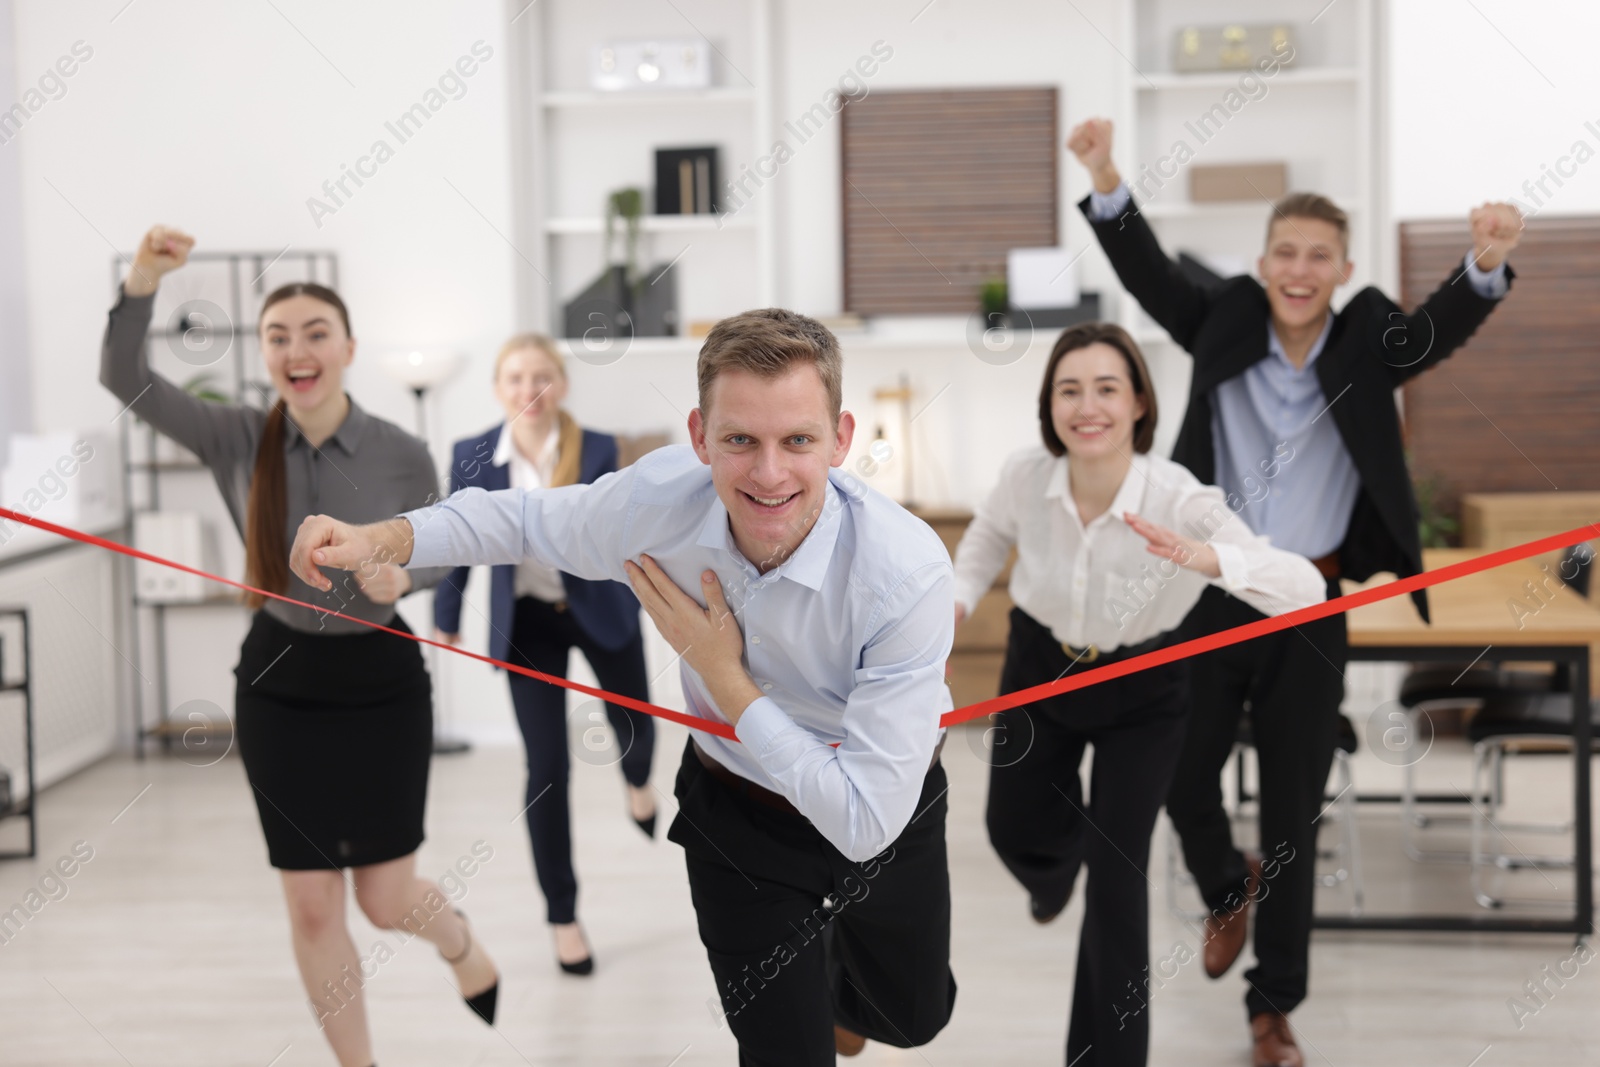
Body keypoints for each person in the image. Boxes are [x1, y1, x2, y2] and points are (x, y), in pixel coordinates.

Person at [288, 308, 957, 1066]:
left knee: (912, 1015)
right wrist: (387, 536)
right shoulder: (656, 501)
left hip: (877, 796)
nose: (769, 473)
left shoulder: (906, 572)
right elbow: (522, 520)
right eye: (740, 440)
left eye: (797, 440)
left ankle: (833, 974)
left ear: (840, 439)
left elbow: (865, 821)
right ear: (701, 436)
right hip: (741, 814)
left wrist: (725, 677)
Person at [1066, 117, 1523, 1066]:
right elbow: (1153, 274)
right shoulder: (1226, 317)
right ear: (1263, 260)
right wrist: (1107, 175)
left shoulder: (1368, 340)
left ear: (1344, 266)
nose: (1300, 269)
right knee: (1181, 775)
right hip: (1209, 592)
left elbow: (1436, 328)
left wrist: (1483, 263)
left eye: (1320, 255)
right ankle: (1224, 887)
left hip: (1310, 602)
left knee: (1292, 815)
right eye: (1286, 251)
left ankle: (1273, 1007)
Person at [101, 227, 499, 1067]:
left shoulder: (399, 450)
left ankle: (459, 941)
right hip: (279, 683)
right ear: (266, 356)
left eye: (315, 331)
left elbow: (442, 552)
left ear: (348, 347)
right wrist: (143, 281)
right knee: (314, 907)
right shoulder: (236, 437)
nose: (296, 349)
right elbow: (124, 381)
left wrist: (406, 582)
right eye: (278, 337)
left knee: (387, 901)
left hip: (383, 683)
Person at [954, 322, 1325, 1067]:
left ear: (1138, 405)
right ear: (1049, 406)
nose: (1087, 405)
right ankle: (1054, 873)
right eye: (1069, 389)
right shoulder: (1026, 473)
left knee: (1118, 887)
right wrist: (958, 598)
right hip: (1041, 667)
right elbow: (989, 535)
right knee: (1009, 825)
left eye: (1106, 388)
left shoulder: (1179, 495)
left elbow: (1307, 587)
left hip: (1143, 690)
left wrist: (1211, 557)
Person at [433, 332, 656, 976]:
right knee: (547, 768)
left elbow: (628, 529)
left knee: (636, 731)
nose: (528, 390)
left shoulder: (600, 447)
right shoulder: (473, 454)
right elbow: (458, 534)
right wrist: (448, 616)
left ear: (559, 384)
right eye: (514, 378)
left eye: (541, 377)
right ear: (498, 389)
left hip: (599, 608)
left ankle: (638, 783)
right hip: (527, 622)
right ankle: (563, 915)